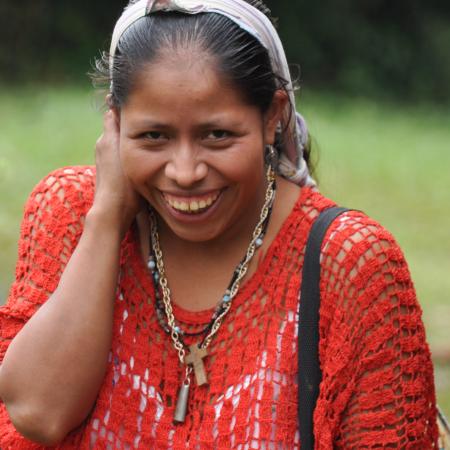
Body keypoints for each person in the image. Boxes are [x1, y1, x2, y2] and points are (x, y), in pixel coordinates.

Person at [0, 0, 438, 448]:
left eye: (217, 135)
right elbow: (39, 413)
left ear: (272, 117)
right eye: (153, 136)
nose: (185, 171)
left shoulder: (348, 262)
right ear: (114, 124)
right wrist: (108, 218)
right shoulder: (73, 211)